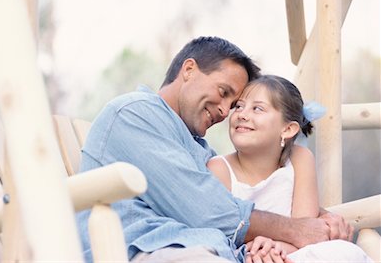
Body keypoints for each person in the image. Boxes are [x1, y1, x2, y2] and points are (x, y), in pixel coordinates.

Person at [76, 36, 354, 263]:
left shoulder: (197, 148)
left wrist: (323, 220)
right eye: (224, 92)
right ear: (189, 70)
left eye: (232, 104)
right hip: (139, 249)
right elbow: (206, 209)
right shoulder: (135, 114)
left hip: (201, 249)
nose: (224, 111)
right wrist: (297, 230)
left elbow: (238, 202)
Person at [207, 75, 372, 262]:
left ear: (287, 129)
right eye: (239, 106)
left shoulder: (300, 159)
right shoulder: (219, 168)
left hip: (293, 253)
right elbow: (219, 233)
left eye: (257, 108)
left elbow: (306, 233)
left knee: (344, 252)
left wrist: (275, 249)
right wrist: (257, 253)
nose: (242, 114)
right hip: (243, 256)